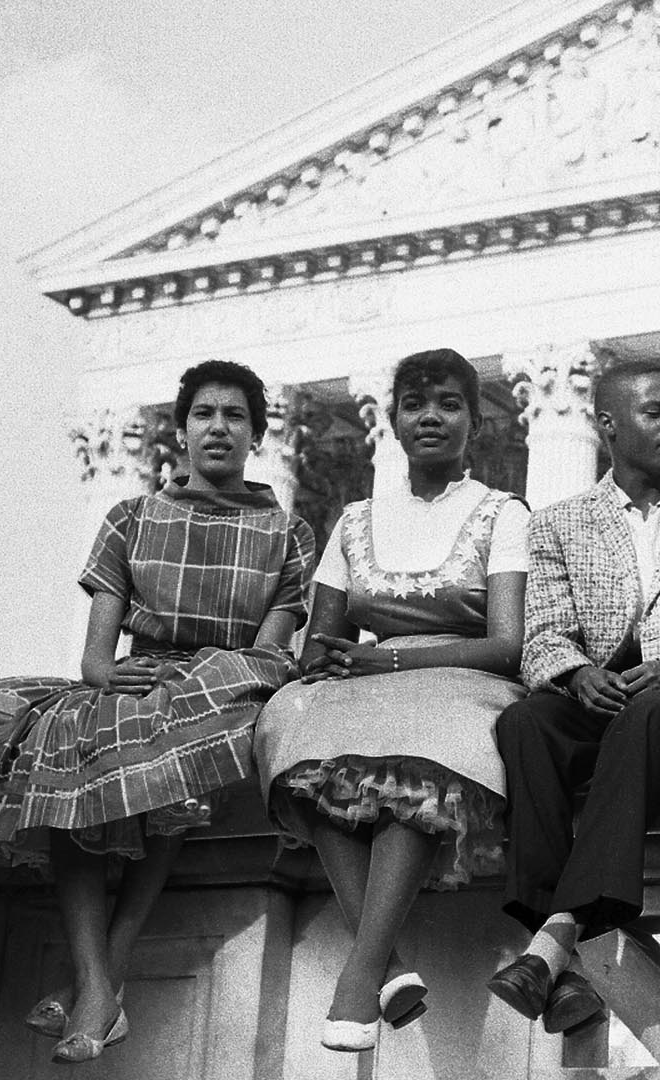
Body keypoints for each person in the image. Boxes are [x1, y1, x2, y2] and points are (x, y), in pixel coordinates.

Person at [0, 360, 315, 1063]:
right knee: (73, 729)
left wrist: (187, 680)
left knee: (170, 730)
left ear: (257, 433)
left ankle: (97, 983)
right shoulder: (132, 519)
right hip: (137, 682)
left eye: (235, 415)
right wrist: (122, 678)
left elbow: (268, 656)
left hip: (225, 687)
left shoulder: (289, 536)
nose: (219, 427)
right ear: (181, 428)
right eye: (204, 413)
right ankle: (97, 983)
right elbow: (96, 662)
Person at [253, 349, 528, 1051]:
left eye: (448, 404)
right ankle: (390, 964)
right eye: (415, 404)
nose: (430, 417)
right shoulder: (353, 519)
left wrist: (395, 656)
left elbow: (506, 644)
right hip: (369, 681)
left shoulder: (502, 513)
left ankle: (361, 971)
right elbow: (324, 638)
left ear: (475, 420)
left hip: (464, 679)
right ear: (395, 420)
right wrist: (330, 661)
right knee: (297, 728)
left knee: (414, 762)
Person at [485, 360, 660, 1035]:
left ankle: (555, 938)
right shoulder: (555, 523)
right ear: (607, 424)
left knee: (652, 711)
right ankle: (564, 958)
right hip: (592, 695)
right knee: (524, 721)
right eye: (655, 411)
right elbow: (542, 634)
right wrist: (576, 674)